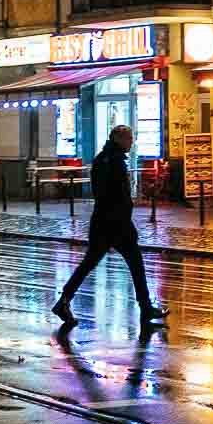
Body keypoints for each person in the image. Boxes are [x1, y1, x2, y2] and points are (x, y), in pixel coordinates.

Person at [51, 125, 168, 326]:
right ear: (118, 139)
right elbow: (112, 194)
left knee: (92, 264)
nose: (132, 142)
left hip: (105, 222)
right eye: (129, 138)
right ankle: (145, 308)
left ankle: (63, 302)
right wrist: (123, 219)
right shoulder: (112, 161)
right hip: (115, 223)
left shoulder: (106, 159)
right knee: (134, 264)